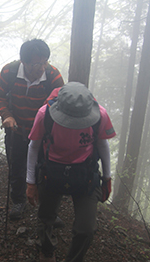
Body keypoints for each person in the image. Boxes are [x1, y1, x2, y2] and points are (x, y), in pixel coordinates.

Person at [26, 82, 116, 262]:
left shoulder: (100, 115)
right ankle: (47, 250)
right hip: (51, 170)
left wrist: (107, 178)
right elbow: (34, 147)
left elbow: (102, 145)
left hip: (85, 174)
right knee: (46, 217)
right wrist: (30, 182)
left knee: (86, 228)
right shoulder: (45, 114)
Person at [0, 39, 64, 220]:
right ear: (23, 61)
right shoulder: (9, 72)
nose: (41, 68)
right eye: (36, 64)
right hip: (16, 129)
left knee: (45, 168)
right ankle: (18, 201)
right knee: (16, 167)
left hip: (43, 134)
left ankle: (46, 207)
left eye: (44, 62)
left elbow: (59, 103)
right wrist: (7, 115)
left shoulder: (53, 76)